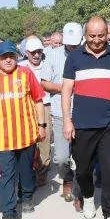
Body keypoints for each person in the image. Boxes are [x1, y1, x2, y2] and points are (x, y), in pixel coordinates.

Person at [61, 16, 110, 219]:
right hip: (82, 123)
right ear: (85, 34)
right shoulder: (74, 58)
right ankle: (88, 197)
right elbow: (66, 91)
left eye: (101, 36)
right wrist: (67, 120)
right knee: (83, 168)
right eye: (92, 36)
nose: (97, 40)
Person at [0, 41, 47, 219]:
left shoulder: (26, 74)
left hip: (26, 134)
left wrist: (41, 126)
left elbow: (38, 100)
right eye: (4, 56)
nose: (8, 59)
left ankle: (26, 196)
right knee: (6, 174)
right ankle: (8, 212)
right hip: (1, 138)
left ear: (16, 56)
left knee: (26, 170)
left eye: (11, 56)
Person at [41, 23, 81, 206]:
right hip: (59, 114)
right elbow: (44, 83)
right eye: (69, 44)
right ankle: (67, 176)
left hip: (82, 113)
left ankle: (79, 191)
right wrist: (64, 88)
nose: (73, 48)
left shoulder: (86, 55)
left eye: (76, 44)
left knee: (83, 156)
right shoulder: (52, 55)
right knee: (62, 157)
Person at [20, 36, 52, 187]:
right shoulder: (20, 67)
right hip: (26, 107)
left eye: (39, 51)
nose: (36, 55)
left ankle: (42, 172)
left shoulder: (47, 65)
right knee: (28, 141)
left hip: (45, 106)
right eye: (33, 52)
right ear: (26, 52)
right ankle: (29, 171)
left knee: (44, 140)